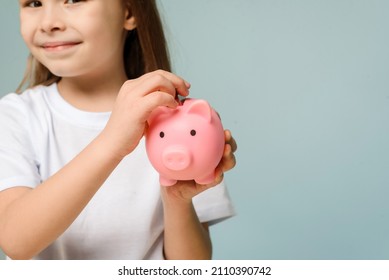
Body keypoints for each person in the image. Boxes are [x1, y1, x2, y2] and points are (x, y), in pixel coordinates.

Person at [0, 0, 237, 260]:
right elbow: (16, 240)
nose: (48, 23)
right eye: (33, 3)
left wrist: (177, 200)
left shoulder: (177, 123)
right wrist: (112, 140)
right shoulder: (15, 115)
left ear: (129, 12)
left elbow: (192, 268)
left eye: (73, 0)